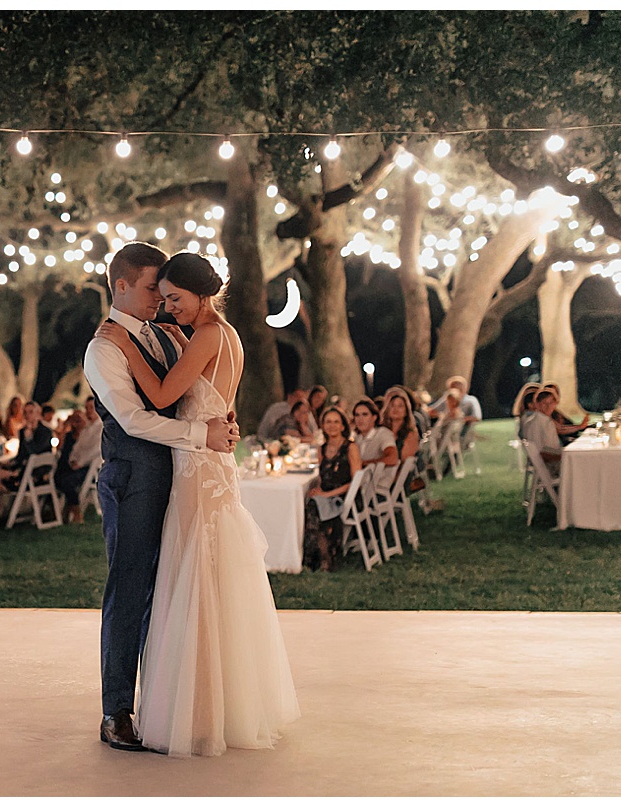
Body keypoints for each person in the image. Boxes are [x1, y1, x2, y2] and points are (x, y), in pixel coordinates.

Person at [90, 247, 295, 757]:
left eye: (169, 292)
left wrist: (213, 425)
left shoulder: (167, 334)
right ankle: (117, 710)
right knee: (132, 586)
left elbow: (187, 389)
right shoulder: (103, 348)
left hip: (186, 478)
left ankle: (186, 704)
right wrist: (201, 433)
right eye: (151, 290)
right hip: (136, 479)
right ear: (120, 287)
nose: (161, 301)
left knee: (178, 589)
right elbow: (137, 419)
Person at [0, 400, 54, 529]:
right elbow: (21, 456)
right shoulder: (23, 431)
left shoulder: (45, 431)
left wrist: (28, 439)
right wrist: (4, 463)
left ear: (37, 413)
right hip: (22, 472)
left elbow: (34, 453)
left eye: (31, 412)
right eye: (25, 413)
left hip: (34, 476)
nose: (27, 415)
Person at [303, 405, 361, 572]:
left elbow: (355, 481)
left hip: (344, 495)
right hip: (326, 494)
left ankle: (322, 557)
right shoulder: (321, 449)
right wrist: (319, 489)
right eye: (328, 422)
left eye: (336, 421)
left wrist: (327, 494)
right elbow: (323, 476)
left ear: (343, 426)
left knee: (314, 506)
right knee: (311, 501)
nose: (332, 425)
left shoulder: (351, 448)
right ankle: (320, 556)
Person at [352, 397, 399, 491]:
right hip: (361, 484)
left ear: (374, 417)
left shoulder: (382, 434)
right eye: (357, 415)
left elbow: (393, 458)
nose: (360, 419)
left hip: (375, 488)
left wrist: (365, 463)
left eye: (365, 415)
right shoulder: (357, 439)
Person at [54, 411, 92, 523]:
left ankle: (74, 509)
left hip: (81, 467)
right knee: (58, 478)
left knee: (66, 481)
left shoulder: (87, 435)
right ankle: (67, 508)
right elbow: (61, 449)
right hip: (67, 465)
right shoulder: (69, 436)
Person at [430, 375, 482, 443]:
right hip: (444, 429)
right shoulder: (447, 398)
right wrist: (440, 415)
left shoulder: (471, 401)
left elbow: (476, 417)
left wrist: (460, 420)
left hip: (460, 432)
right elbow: (433, 410)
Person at [523, 389, 563, 475]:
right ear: (537, 404)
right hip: (549, 467)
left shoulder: (538, 420)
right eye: (545, 403)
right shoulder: (541, 422)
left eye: (551, 403)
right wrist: (564, 456)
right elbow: (541, 453)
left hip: (549, 463)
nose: (548, 406)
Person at [380, 388, 420, 468]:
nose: (396, 409)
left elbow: (405, 462)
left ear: (406, 411)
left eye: (400, 406)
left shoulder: (411, 433)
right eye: (392, 405)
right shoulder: (381, 430)